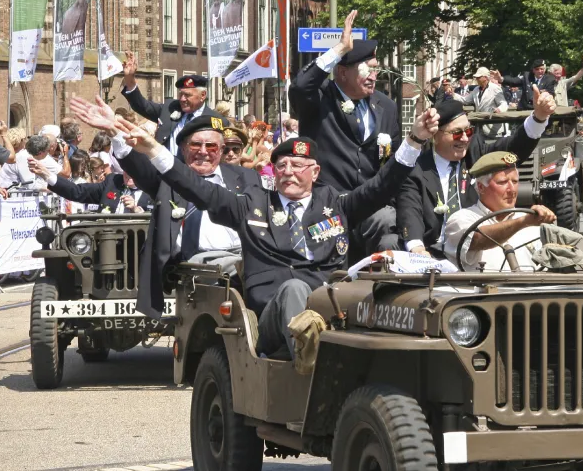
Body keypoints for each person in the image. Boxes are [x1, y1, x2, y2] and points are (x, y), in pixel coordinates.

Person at [116, 105, 436, 357]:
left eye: (297, 166)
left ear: (315, 172)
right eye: (281, 165)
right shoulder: (252, 204)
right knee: (294, 290)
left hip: (333, 310)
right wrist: (153, 150)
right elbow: (197, 188)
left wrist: (415, 140)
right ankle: (310, 357)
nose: (288, 172)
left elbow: (382, 187)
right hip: (271, 315)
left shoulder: (335, 205)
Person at [70, 95, 261, 317]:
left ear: (221, 149)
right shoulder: (168, 177)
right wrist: (114, 130)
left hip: (239, 263)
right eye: (196, 144)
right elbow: (139, 165)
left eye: (211, 146)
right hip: (191, 267)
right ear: (182, 147)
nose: (203, 151)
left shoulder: (246, 178)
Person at [288, 10, 402, 256]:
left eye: (376, 70)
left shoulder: (386, 107)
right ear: (342, 72)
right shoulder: (320, 99)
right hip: (329, 206)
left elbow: (395, 160)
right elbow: (299, 86)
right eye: (366, 71)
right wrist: (339, 48)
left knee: (389, 236)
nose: (374, 77)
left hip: (372, 208)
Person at [397, 88, 556, 258]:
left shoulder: (475, 153)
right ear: (435, 136)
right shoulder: (417, 169)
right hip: (433, 254)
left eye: (469, 131)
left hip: (477, 251)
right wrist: (417, 248)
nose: (465, 139)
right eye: (457, 133)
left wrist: (539, 118)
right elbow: (409, 211)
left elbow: (511, 151)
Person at [444, 151, 557, 271]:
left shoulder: (531, 222)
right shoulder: (461, 219)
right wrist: (523, 222)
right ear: (481, 187)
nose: (512, 190)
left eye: (515, 182)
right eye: (502, 182)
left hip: (535, 289)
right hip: (483, 289)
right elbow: (478, 239)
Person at [120, 51, 222, 157]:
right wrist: (130, 79)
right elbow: (142, 106)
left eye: (187, 95)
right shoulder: (170, 108)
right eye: (181, 94)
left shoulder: (215, 120)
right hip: (165, 171)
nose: (182, 99)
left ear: (203, 95)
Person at [30, 159, 155, 214]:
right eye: (127, 170)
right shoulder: (113, 182)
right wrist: (46, 174)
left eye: (135, 170)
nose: (129, 174)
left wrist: (137, 210)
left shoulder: (154, 188)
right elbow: (77, 191)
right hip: (108, 246)